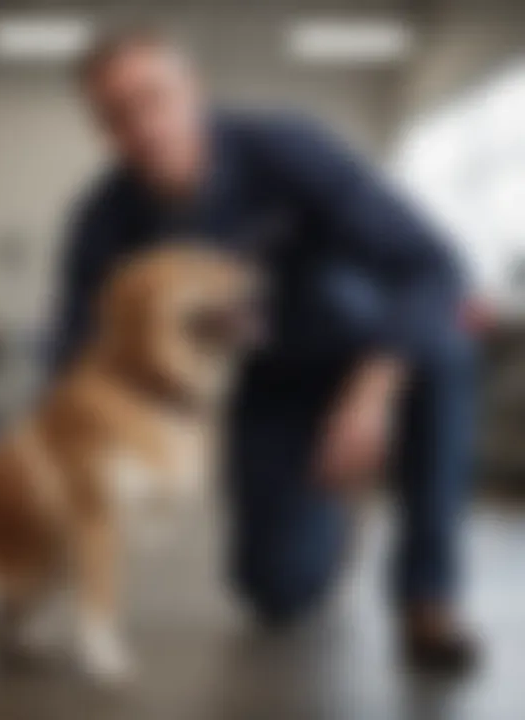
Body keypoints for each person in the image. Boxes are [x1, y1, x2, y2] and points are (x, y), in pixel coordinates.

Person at [47, 27, 480, 674]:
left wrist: (370, 395)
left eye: (153, 99)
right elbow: (70, 358)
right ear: (100, 128)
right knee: (275, 595)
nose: (144, 126)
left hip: (362, 348)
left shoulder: (287, 150)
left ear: (193, 90)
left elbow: (435, 265)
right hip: (271, 383)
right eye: (117, 115)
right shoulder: (104, 222)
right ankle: (331, 515)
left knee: (443, 349)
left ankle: (428, 596)